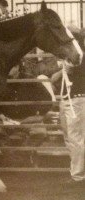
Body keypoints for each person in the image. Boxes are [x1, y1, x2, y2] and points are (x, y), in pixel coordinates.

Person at [51, 55, 85, 184]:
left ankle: (78, 175)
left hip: (77, 99)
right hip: (66, 99)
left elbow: (57, 77)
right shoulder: (69, 58)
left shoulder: (80, 57)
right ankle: (76, 172)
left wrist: (64, 69)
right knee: (69, 137)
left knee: (75, 137)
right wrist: (63, 70)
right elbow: (53, 79)